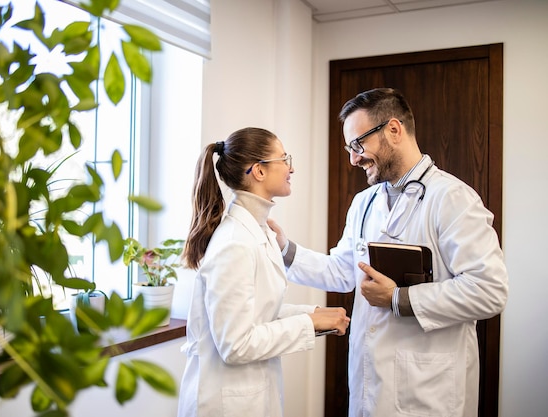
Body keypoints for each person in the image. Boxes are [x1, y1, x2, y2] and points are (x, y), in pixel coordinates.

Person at [270, 88, 509, 417]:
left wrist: (399, 298)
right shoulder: (364, 203)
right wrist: (284, 248)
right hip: (371, 383)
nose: (354, 158)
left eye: (358, 144)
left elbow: (489, 291)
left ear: (393, 130)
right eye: (349, 148)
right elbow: (343, 271)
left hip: (429, 391)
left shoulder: (451, 198)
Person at [177, 127, 351, 417]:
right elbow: (235, 345)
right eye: (284, 158)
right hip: (224, 403)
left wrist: (312, 315)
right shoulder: (234, 243)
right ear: (258, 171)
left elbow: (257, 314)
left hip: (250, 396)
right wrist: (308, 323)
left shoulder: (260, 231)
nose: (291, 167)